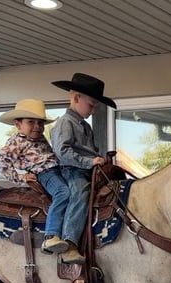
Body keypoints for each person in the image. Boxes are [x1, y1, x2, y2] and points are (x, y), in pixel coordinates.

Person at [0, 98, 83, 263]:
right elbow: (1, 162)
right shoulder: (16, 141)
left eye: (40, 123)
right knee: (63, 192)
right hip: (45, 173)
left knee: (80, 190)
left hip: (59, 169)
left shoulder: (41, 137)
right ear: (18, 124)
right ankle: (51, 235)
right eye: (31, 122)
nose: (37, 126)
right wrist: (20, 177)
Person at [49, 73, 117, 265]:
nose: (94, 110)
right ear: (76, 98)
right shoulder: (65, 122)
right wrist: (89, 162)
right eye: (91, 104)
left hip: (89, 169)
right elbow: (62, 152)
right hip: (72, 170)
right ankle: (69, 243)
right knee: (80, 194)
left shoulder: (85, 126)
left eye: (96, 106)